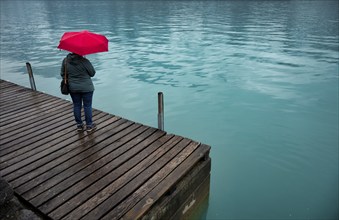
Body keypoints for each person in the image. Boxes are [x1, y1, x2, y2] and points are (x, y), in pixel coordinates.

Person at [61, 53, 96, 132]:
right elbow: (92, 73)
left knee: (76, 105)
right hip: (87, 88)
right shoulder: (85, 61)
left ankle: (79, 125)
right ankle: (89, 125)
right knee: (87, 106)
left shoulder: (65, 61)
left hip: (73, 88)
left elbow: (62, 74)